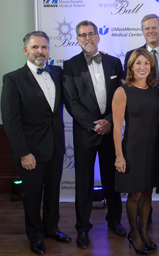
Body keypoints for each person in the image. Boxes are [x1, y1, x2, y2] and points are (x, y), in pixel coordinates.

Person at [1, 31, 71, 255]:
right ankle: (35, 236)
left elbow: (82, 73)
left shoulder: (58, 72)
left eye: (44, 47)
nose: (40, 51)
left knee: (53, 193)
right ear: (26, 51)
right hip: (30, 152)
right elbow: (11, 121)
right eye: (35, 48)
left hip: (56, 148)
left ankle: (52, 228)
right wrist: (23, 153)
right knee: (32, 197)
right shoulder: (12, 79)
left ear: (49, 50)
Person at [63, 20, 125, 249]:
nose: (87, 38)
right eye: (82, 35)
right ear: (77, 39)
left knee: (112, 180)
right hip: (85, 134)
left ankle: (115, 221)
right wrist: (94, 125)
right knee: (84, 183)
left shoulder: (114, 62)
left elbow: (122, 95)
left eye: (91, 34)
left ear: (98, 36)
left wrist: (109, 121)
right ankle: (82, 228)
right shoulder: (69, 66)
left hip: (111, 132)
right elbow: (71, 101)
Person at [124, 14, 159, 230]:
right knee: (144, 173)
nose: (150, 31)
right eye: (146, 28)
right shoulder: (132, 55)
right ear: (142, 31)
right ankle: (142, 218)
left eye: (154, 27)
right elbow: (128, 87)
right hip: (144, 121)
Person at [112, 48, 159, 255]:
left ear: (151, 67)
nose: (142, 67)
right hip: (132, 149)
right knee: (135, 194)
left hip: (153, 148)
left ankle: (143, 231)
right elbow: (116, 127)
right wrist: (119, 156)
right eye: (138, 63)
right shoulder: (122, 91)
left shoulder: (156, 90)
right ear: (131, 67)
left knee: (148, 192)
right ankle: (134, 233)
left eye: (146, 63)